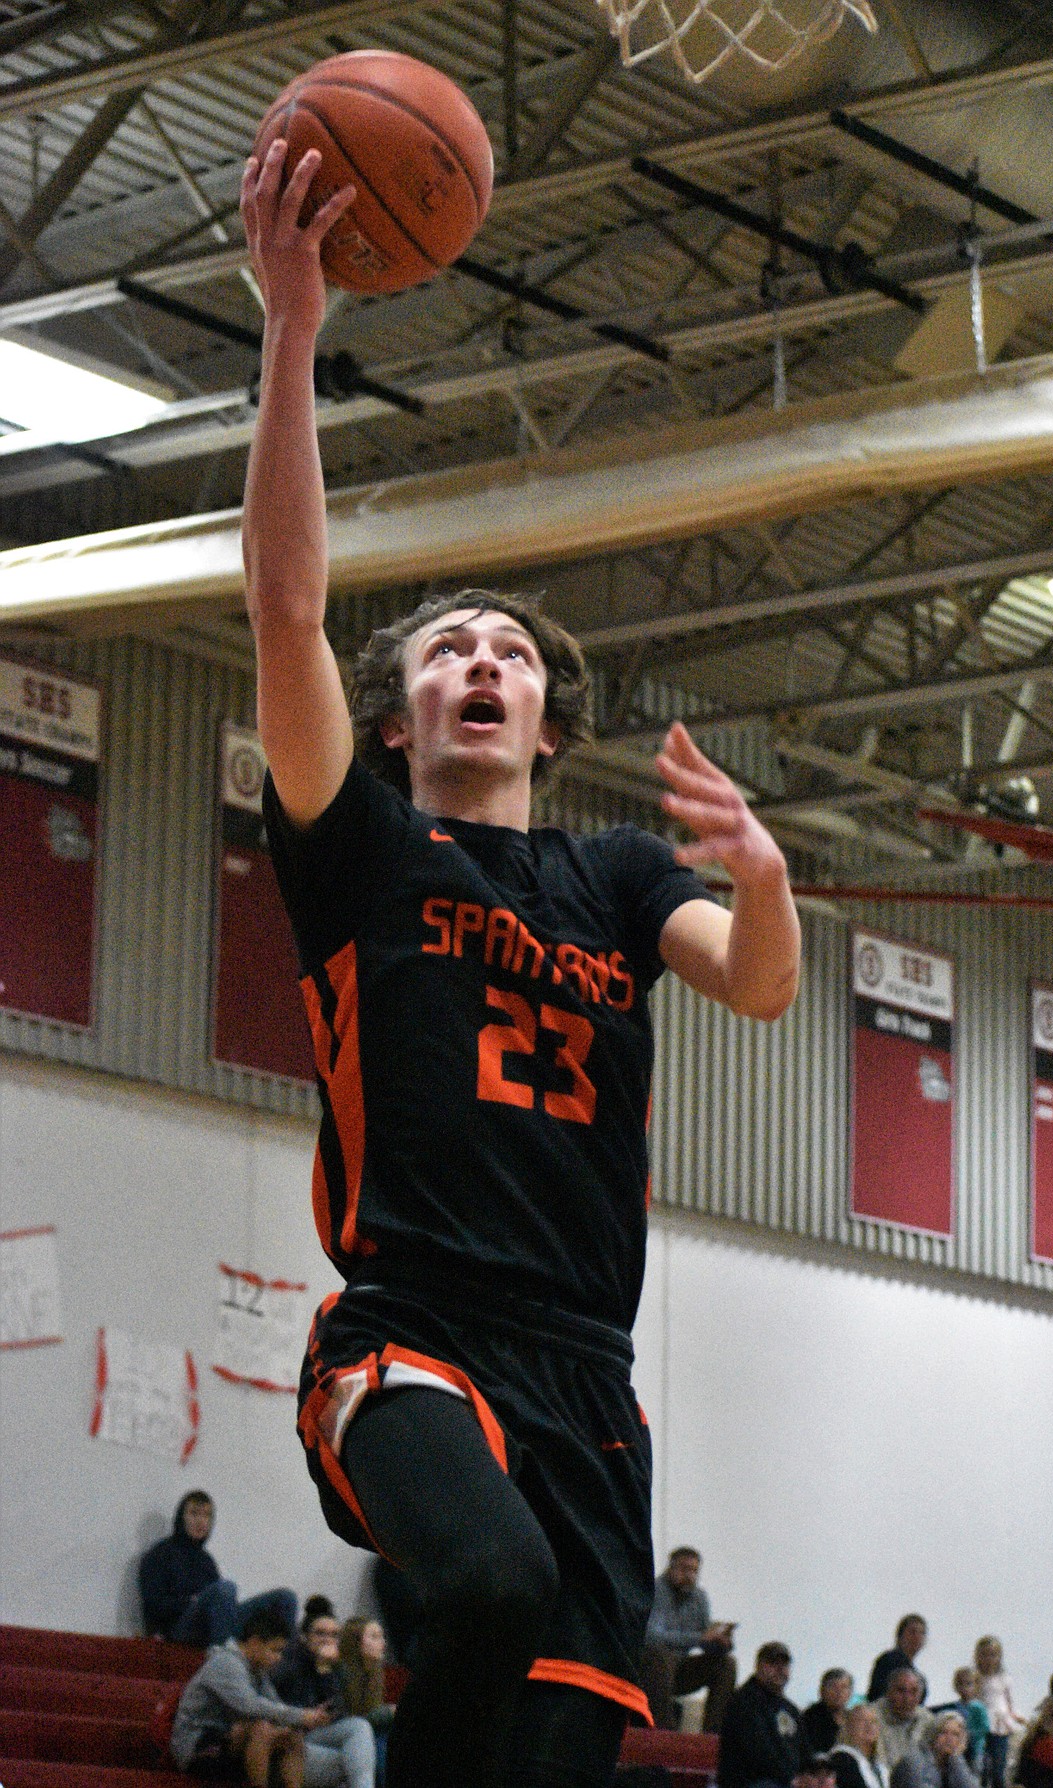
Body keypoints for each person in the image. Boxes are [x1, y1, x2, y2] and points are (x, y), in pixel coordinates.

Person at [237, 136, 801, 1788]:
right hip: (409, 1326)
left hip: (589, 1373)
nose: (478, 660)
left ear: (547, 720)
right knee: (480, 1581)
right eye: (443, 647)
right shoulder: (356, 846)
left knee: (552, 1742)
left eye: (507, 651)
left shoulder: (617, 874)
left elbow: (760, 981)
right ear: (402, 703)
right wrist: (292, 327)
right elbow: (283, 612)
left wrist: (761, 876)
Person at [169, 1603, 332, 1784]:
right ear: (254, 1642)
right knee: (261, 1728)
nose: (279, 1658)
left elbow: (275, 1704)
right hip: (197, 1746)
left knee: (291, 1733)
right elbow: (250, 1706)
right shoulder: (225, 1663)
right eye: (274, 1650)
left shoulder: (257, 1670)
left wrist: (308, 1717)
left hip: (229, 1740)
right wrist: (301, 1716)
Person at [138, 1490, 297, 1648]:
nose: (201, 1521)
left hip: (213, 1625)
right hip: (179, 1629)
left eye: (206, 1515)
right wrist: (191, 1601)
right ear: (181, 1517)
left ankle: (284, 1662)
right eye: (194, 1514)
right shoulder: (159, 1555)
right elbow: (153, 1606)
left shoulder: (206, 1561)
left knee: (285, 1598)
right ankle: (225, 1657)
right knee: (225, 1588)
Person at [271, 1604, 376, 1788]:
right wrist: (306, 1716)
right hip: (288, 1740)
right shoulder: (285, 1660)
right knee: (353, 1763)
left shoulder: (334, 1665)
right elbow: (272, 1707)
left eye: (334, 1635)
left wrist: (324, 1669)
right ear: (304, 1637)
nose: (327, 1639)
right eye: (320, 1633)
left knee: (360, 1727)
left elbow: (342, 1713)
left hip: (317, 1736)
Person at [643, 1546, 738, 1733]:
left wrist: (721, 1642)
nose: (690, 1575)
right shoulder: (655, 1590)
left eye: (694, 1570)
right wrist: (700, 1638)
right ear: (671, 1568)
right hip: (650, 1669)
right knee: (660, 1657)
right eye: (684, 1569)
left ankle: (713, 1736)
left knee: (727, 1664)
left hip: (680, 1670)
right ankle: (665, 1733)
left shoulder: (699, 1597)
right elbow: (653, 1637)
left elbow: (705, 1641)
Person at [717, 1641, 802, 1788]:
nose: (780, 1669)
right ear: (758, 1666)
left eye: (785, 1665)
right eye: (773, 1663)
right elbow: (759, 1755)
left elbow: (804, 1750)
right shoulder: (743, 1703)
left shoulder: (791, 1710)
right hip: (750, 1782)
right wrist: (792, 1778)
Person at [339, 1618, 395, 1788]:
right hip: (344, 1729)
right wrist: (388, 1712)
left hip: (367, 1728)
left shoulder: (375, 1670)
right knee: (378, 1742)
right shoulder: (342, 1671)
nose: (383, 1643)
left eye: (382, 1636)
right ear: (356, 1642)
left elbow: (371, 1712)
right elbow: (353, 1719)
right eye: (375, 1636)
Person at [973, 1638, 1025, 1788]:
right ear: (978, 1656)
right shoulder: (976, 1677)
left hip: (999, 1723)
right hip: (981, 1723)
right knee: (981, 1765)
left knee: (998, 1766)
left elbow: (1009, 1701)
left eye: (993, 1655)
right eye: (985, 1655)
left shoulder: (1004, 1678)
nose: (989, 1659)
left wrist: (1015, 1716)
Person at [890, 1712, 979, 1788]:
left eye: (955, 1735)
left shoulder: (955, 1762)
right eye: (943, 1732)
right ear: (932, 1734)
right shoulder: (913, 1763)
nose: (949, 1739)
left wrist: (956, 1757)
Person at [876, 1669, 931, 1772]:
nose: (907, 1699)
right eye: (901, 1691)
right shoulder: (871, 1718)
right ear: (888, 1693)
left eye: (914, 1692)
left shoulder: (927, 1720)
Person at [936, 1668, 989, 1775]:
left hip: (975, 1748)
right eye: (960, 1684)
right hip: (958, 1748)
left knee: (974, 1772)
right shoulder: (954, 1707)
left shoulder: (979, 1707)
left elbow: (985, 1727)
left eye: (968, 1684)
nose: (964, 1688)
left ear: (976, 1686)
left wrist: (970, 1733)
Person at [831, 1701, 890, 1788]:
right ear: (848, 1726)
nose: (869, 1725)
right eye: (861, 1720)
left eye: (873, 1721)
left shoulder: (879, 1765)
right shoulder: (842, 1758)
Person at [870, 1619, 929, 1703]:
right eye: (913, 1632)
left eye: (922, 1633)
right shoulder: (890, 1660)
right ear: (899, 1636)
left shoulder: (913, 1670)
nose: (917, 1637)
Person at [803, 1671, 855, 1762]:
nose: (838, 1692)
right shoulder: (810, 1718)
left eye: (844, 1687)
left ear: (850, 1692)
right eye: (833, 1687)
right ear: (822, 1690)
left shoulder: (853, 1718)